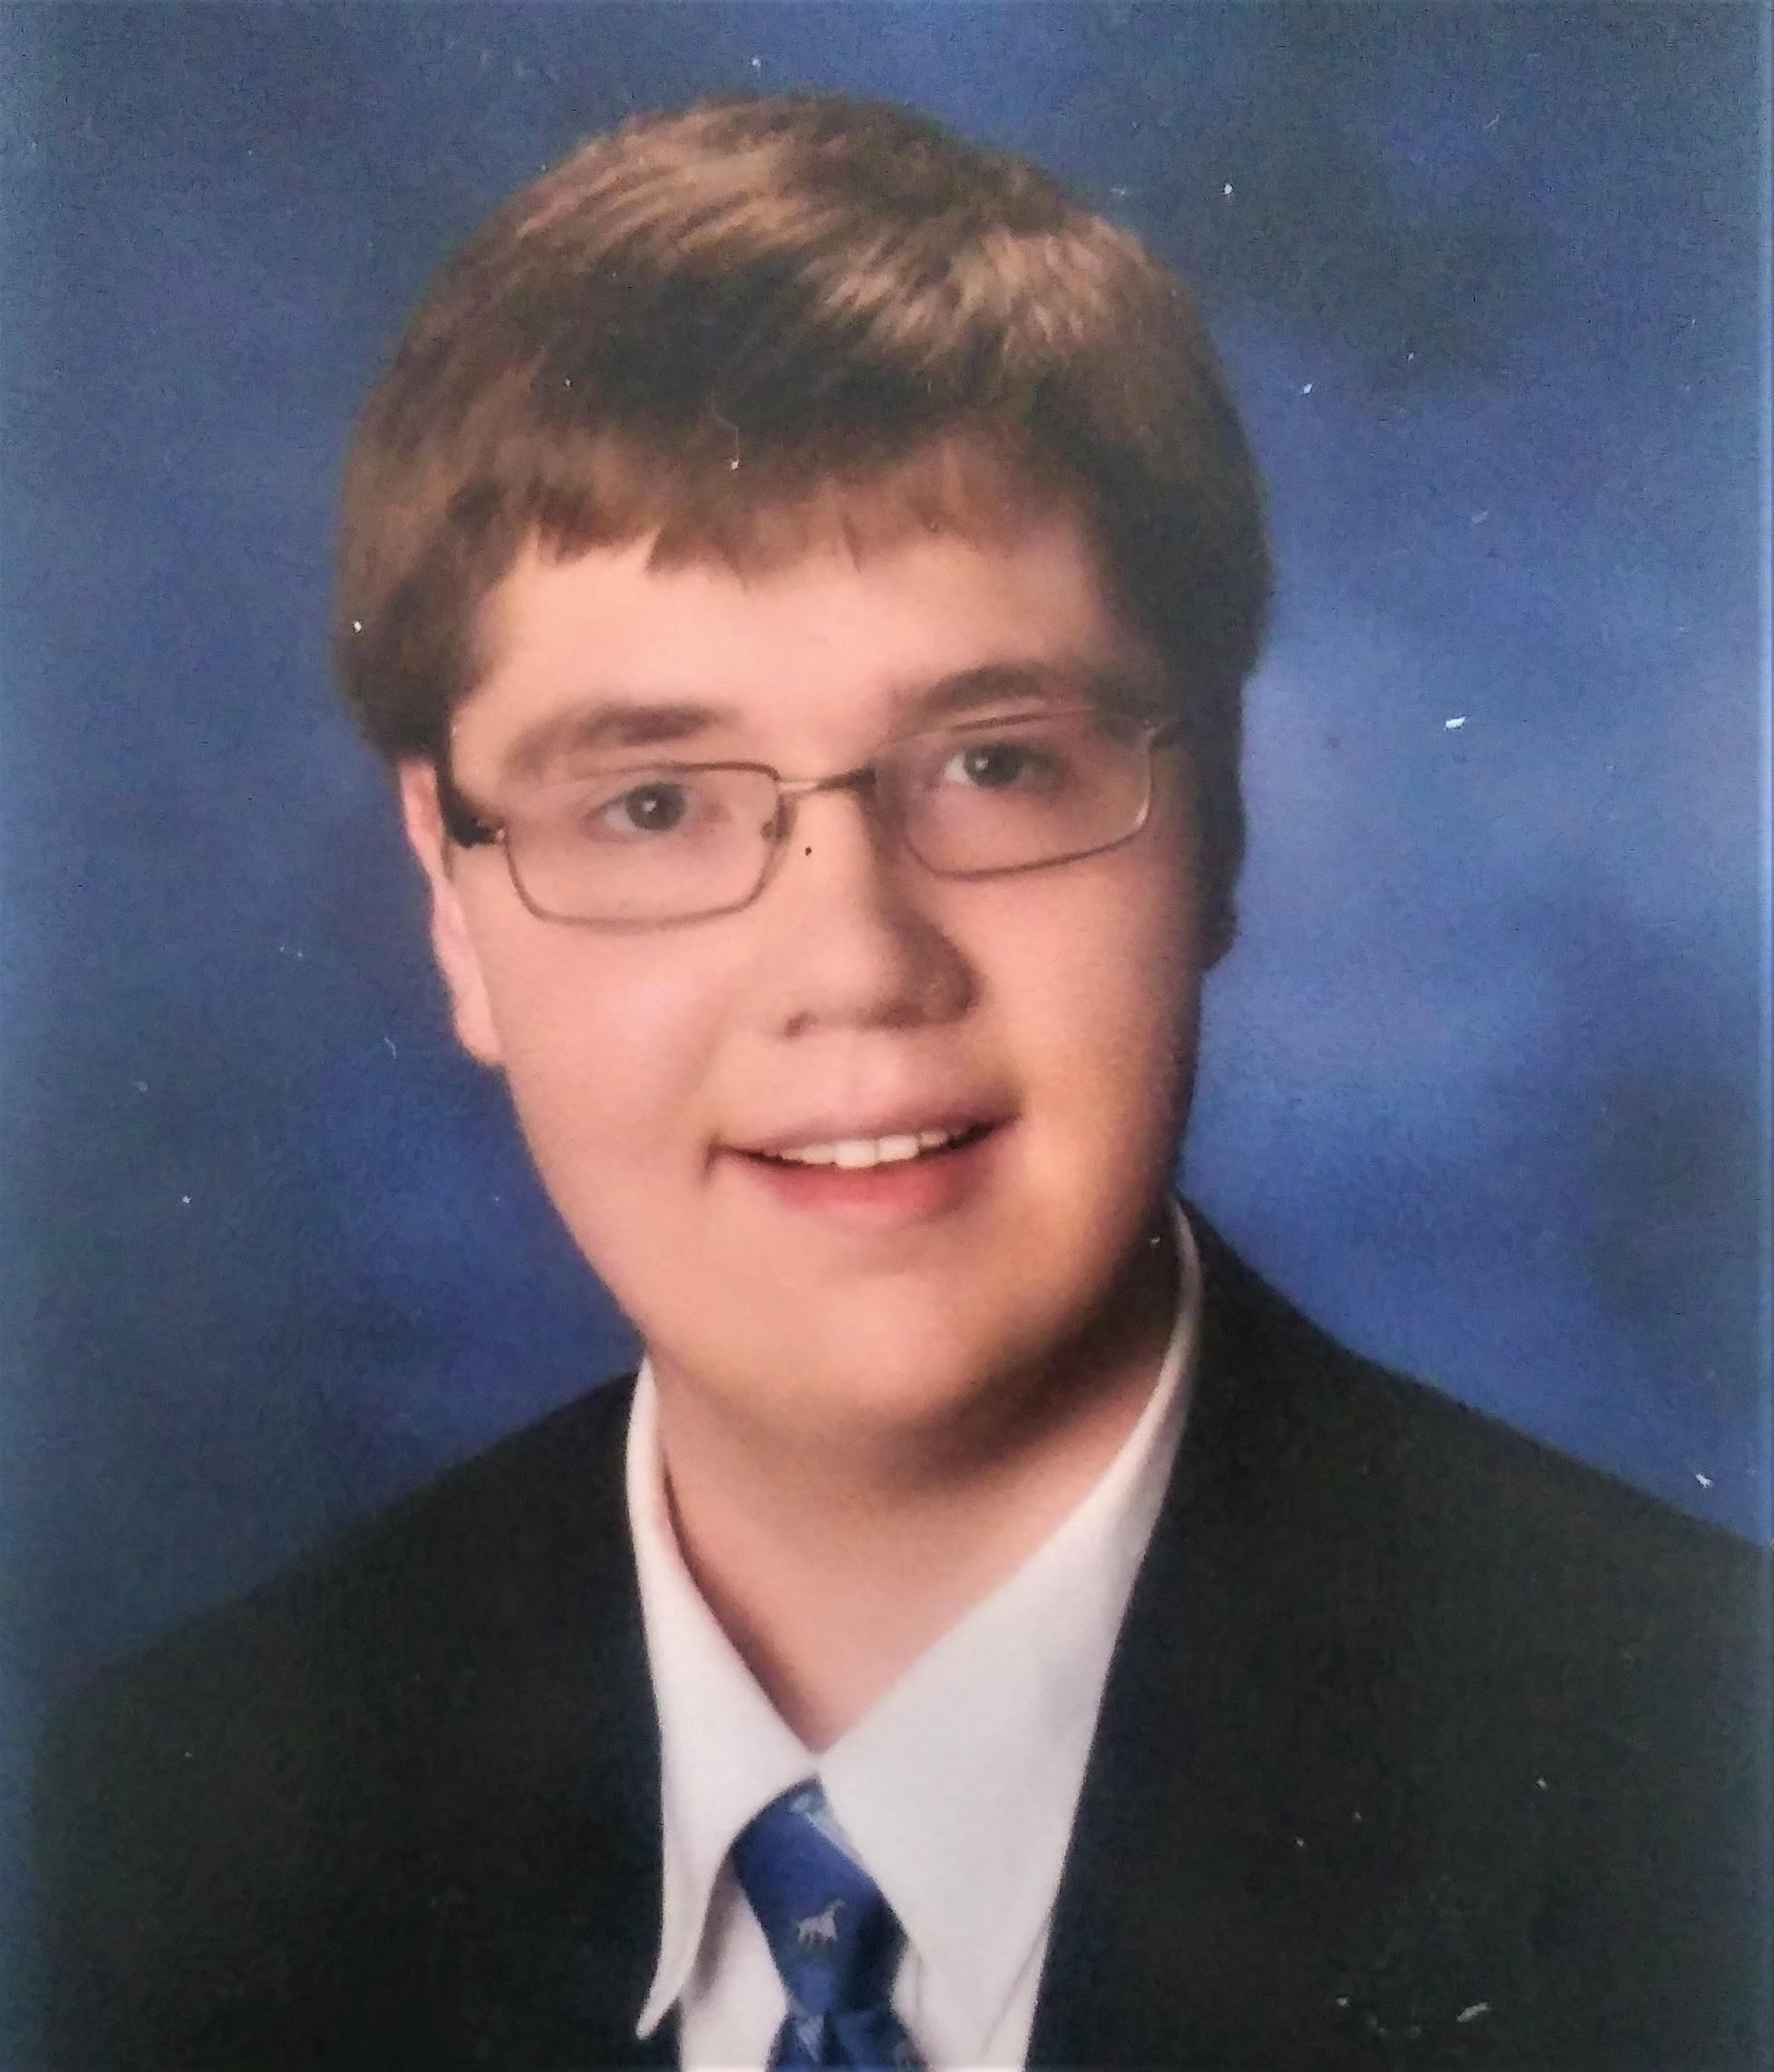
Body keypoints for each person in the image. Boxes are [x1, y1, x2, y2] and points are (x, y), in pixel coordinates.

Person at [34, 92, 1768, 2072]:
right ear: (449, 897)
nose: (855, 962)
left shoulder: (1700, 1805)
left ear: (1217, 818)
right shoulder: (170, 1823)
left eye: (996, 763)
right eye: (653, 802)